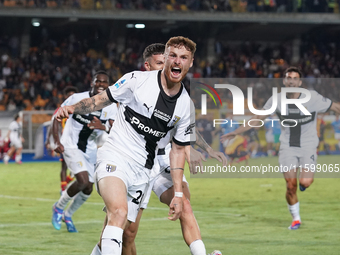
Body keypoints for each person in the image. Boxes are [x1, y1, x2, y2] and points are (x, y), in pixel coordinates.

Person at [56, 36, 197, 255]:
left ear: (190, 63)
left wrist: (178, 193)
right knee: (119, 213)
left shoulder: (184, 105)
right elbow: (100, 100)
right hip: (115, 156)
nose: (177, 61)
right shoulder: (136, 80)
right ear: (166, 58)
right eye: (173, 56)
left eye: (184, 57)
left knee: (118, 232)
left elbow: (178, 149)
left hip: (144, 170)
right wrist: (72, 108)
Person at [90, 43, 226, 255]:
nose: (168, 65)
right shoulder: (136, 87)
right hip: (133, 162)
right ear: (148, 65)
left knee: (184, 204)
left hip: (164, 161)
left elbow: (183, 131)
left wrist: (204, 149)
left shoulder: (177, 98)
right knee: (126, 232)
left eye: (168, 61)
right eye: (161, 62)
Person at [221, 67, 340, 230]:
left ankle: (304, 184)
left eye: (295, 78)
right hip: (287, 146)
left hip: (308, 145)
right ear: (284, 81)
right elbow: (257, 119)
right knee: (290, 185)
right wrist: (235, 132)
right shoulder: (276, 100)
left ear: (299, 83)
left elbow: (335, 107)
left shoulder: (313, 98)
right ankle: (296, 218)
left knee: (305, 181)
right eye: (288, 78)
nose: (291, 81)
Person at [51, 71, 117, 233]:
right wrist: (57, 141)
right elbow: (57, 117)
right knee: (81, 181)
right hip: (70, 145)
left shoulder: (111, 107)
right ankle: (58, 208)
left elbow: (115, 129)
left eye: (105, 82)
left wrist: (104, 127)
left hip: (90, 150)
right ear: (92, 83)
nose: (101, 84)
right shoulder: (76, 99)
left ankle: (68, 214)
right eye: (98, 81)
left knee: (88, 188)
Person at [45, 86, 79, 193]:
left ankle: (68, 181)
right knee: (64, 166)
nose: (71, 97)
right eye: (69, 95)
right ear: (65, 97)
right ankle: (63, 189)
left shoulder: (80, 110)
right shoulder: (60, 110)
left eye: (73, 95)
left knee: (77, 170)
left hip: (79, 143)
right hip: (65, 143)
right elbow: (52, 125)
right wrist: (49, 140)